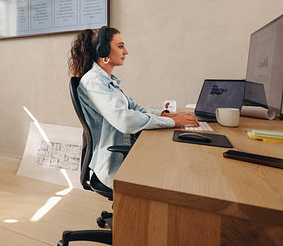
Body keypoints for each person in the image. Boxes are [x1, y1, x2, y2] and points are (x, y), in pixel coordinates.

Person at [68, 27, 199, 189]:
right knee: (174, 174)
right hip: (112, 165)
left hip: (122, 156)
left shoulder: (107, 81)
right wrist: (170, 122)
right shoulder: (94, 82)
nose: (126, 52)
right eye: (121, 46)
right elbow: (125, 120)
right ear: (104, 50)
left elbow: (134, 107)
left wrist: (168, 115)